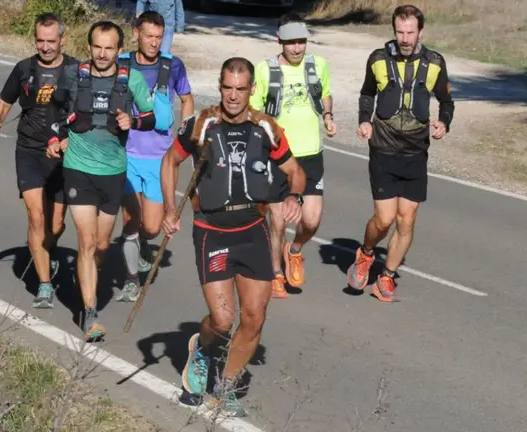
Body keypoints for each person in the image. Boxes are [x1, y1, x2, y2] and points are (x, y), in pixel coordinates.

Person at [160, 57, 305, 416]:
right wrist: (169, 208)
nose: (234, 96)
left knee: (254, 317)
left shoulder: (267, 128)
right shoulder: (201, 125)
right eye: (228, 88)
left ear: (251, 89)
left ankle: (225, 385)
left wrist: (293, 197)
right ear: (220, 86)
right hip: (212, 232)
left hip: (252, 230)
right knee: (222, 320)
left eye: (241, 89)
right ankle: (203, 350)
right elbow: (170, 162)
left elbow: (295, 172)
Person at [46, 20, 156, 341]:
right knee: (87, 242)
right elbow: (54, 110)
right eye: (97, 47)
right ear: (90, 46)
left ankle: (87, 275)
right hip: (78, 169)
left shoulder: (131, 79)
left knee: (102, 247)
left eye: (110, 48)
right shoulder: (73, 75)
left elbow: (151, 118)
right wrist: (57, 139)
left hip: (113, 172)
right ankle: (90, 314)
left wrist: (131, 120)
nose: (103, 53)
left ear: (120, 50)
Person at [348, 4, 454, 303]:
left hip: (416, 152)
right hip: (383, 148)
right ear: (394, 31)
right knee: (384, 220)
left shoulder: (434, 62)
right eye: (400, 32)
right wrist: (364, 121)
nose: (405, 38)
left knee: (406, 220)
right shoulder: (378, 59)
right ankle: (366, 253)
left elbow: (447, 101)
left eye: (410, 32)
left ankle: (386, 276)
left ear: (421, 32)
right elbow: (367, 94)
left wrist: (444, 123)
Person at [0, 13, 79, 309]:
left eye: (52, 41)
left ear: (63, 39)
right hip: (28, 151)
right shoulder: (23, 69)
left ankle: (43, 253)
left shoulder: (77, 71)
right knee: (35, 216)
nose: (46, 47)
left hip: (64, 155)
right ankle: (44, 285)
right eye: (40, 40)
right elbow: (3, 102)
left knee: (57, 225)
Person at [249, 13, 336, 299]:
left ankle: (294, 250)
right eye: (291, 43)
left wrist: (328, 115)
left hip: (311, 154)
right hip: (279, 156)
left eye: (302, 42)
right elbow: (255, 111)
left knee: (311, 220)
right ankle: (275, 273)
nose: (298, 48)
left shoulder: (318, 65)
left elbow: (325, 94)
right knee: (278, 220)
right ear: (280, 40)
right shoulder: (265, 70)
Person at [114, 11, 194, 302]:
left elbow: (187, 99)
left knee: (150, 226)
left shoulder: (172, 66)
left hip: (160, 160)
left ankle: (144, 246)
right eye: (149, 36)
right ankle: (131, 279)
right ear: (136, 34)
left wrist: (185, 132)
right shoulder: (121, 63)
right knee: (130, 219)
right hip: (126, 155)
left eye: (159, 37)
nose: (154, 43)